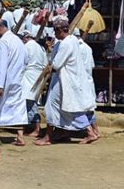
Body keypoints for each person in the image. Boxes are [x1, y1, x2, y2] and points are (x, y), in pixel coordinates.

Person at [35, 17, 97, 146]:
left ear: (59, 30)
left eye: (55, 31)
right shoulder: (73, 41)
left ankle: (48, 137)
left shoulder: (66, 43)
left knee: (52, 106)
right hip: (67, 80)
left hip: (64, 80)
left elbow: (57, 64)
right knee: (68, 108)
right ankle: (85, 131)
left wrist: (50, 65)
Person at [21, 29, 48, 136]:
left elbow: (23, 62)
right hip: (39, 76)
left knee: (29, 102)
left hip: (28, 75)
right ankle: (29, 127)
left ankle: (36, 128)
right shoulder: (41, 48)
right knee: (32, 101)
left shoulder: (27, 46)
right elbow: (46, 64)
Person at [74, 28, 100, 139]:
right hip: (88, 80)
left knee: (81, 108)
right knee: (88, 108)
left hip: (81, 81)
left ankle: (91, 132)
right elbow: (92, 65)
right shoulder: (87, 48)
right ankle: (96, 130)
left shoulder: (76, 48)